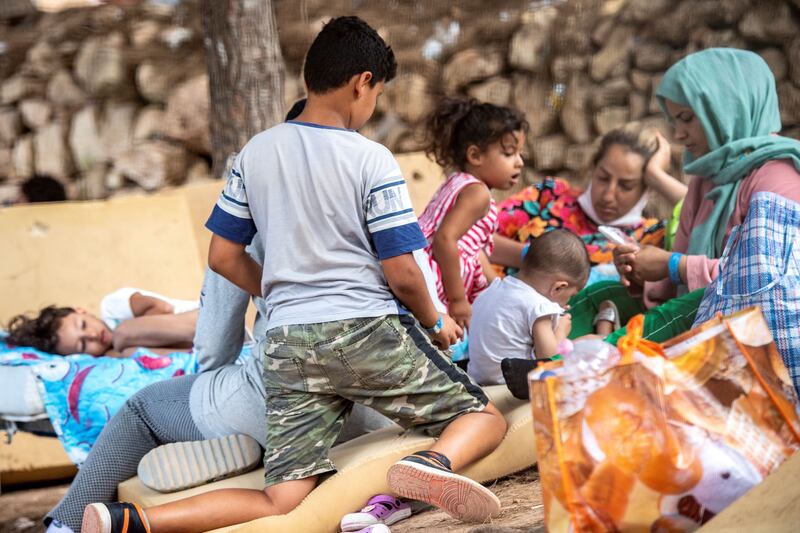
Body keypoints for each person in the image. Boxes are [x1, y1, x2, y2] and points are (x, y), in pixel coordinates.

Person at [82, 16, 507, 533]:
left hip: (287, 344)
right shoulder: (372, 160)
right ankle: (426, 465)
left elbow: (222, 257)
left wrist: (281, 295)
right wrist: (435, 319)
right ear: (362, 83)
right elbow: (402, 271)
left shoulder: (253, 155)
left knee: (281, 497)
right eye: (377, 94)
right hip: (365, 331)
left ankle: (133, 520)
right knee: (483, 417)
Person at [575, 47, 800, 346]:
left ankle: (559, 368)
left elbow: (763, 287)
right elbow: (676, 281)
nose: (678, 134)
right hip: (698, 313)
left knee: (687, 308)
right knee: (601, 294)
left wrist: (674, 265)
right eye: (675, 121)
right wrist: (641, 270)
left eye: (686, 118)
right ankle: (533, 351)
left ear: (725, 109)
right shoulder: (705, 178)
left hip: (753, 333)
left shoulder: (779, 180)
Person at [491, 127, 687, 275]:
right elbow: (474, 234)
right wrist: (534, 259)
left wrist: (657, 175)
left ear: (648, 188)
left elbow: (711, 217)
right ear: (593, 167)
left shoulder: (651, 237)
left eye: (626, 186)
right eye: (603, 177)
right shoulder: (551, 195)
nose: (608, 195)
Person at [418, 97, 527, 329]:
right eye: (509, 153)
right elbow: (445, 240)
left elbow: (474, 248)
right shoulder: (478, 194)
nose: (519, 163)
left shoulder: (460, 182)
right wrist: (458, 300)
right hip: (439, 284)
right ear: (475, 156)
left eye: (520, 153)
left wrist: (498, 289)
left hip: (427, 272)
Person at [467, 229, 590, 386]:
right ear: (558, 288)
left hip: (476, 381)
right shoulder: (539, 307)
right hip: (510, 387)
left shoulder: (493, 289)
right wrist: (560, 332)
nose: (568, 301)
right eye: (570, 295)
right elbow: (549, 359)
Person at [5, 288, 198, 356]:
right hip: (195, 349)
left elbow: (163, 309)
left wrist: (133, 336)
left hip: (198, 319)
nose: (92, 336)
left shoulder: (111, 306)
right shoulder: (116, 358)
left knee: (123, 335)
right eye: (83, 345)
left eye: (83, 325)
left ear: (81, 310)